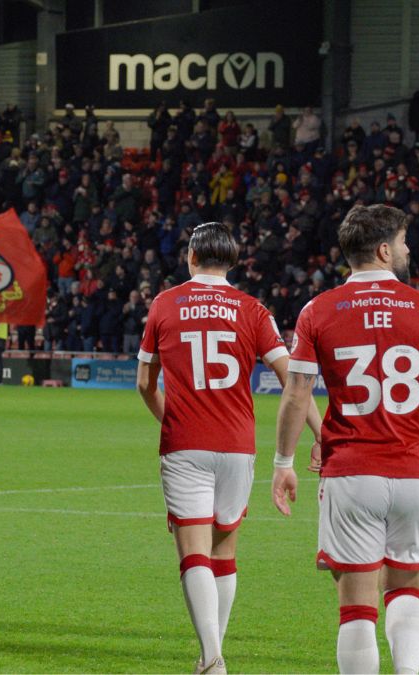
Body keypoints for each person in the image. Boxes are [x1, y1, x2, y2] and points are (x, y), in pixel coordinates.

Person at [273, 204, 419, 674]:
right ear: (383, 250)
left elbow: (297, 392)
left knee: (357, 607)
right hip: (416, 472)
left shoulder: (319, 309)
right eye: (402, 242)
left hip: (352, 472)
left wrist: (283, 461)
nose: (407, 249)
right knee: (407, 589)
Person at [136, 222, 321, 674]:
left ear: (191, 257)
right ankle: (210, 656)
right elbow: (293, 378)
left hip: (185, 443)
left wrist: (173, 419)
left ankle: (212, 658)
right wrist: (322, 433)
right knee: (224, 552)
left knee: (193, 552)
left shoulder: (164, 304)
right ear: (233, 261)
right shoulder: (253, 310)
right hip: (238, 445)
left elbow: (144, 383)